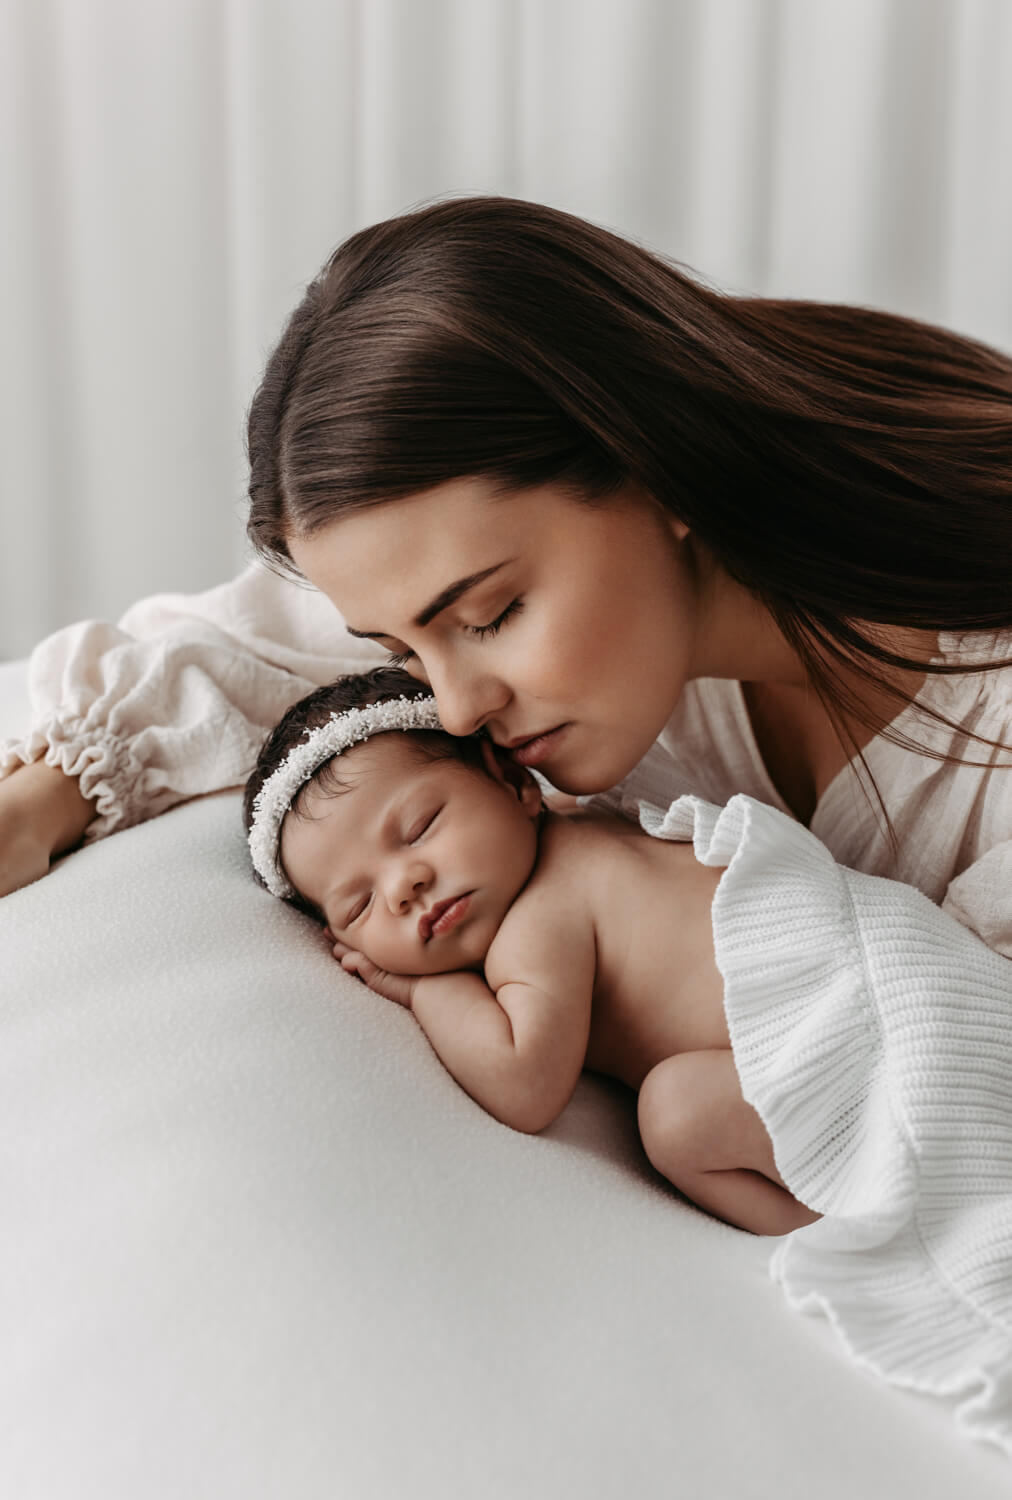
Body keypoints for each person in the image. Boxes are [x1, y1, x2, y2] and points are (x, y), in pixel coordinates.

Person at [3, 192, 1012, 1432]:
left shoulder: (982, 720)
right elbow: (241, 639)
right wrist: (49, 797)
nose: (460, 707)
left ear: (658, 466)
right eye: (402, 647)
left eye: (485, 617)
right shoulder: (570, 663)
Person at [243, 665, 820, 1238]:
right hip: (847, 979)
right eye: (359, 905)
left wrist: (425, 989)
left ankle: (830, 1228)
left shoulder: (541, 917)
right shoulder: (587, 823)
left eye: (421, 827)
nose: (402, 887)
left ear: (516, 783)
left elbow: (526, 1086)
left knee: (676, 1115)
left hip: (833, 1042)